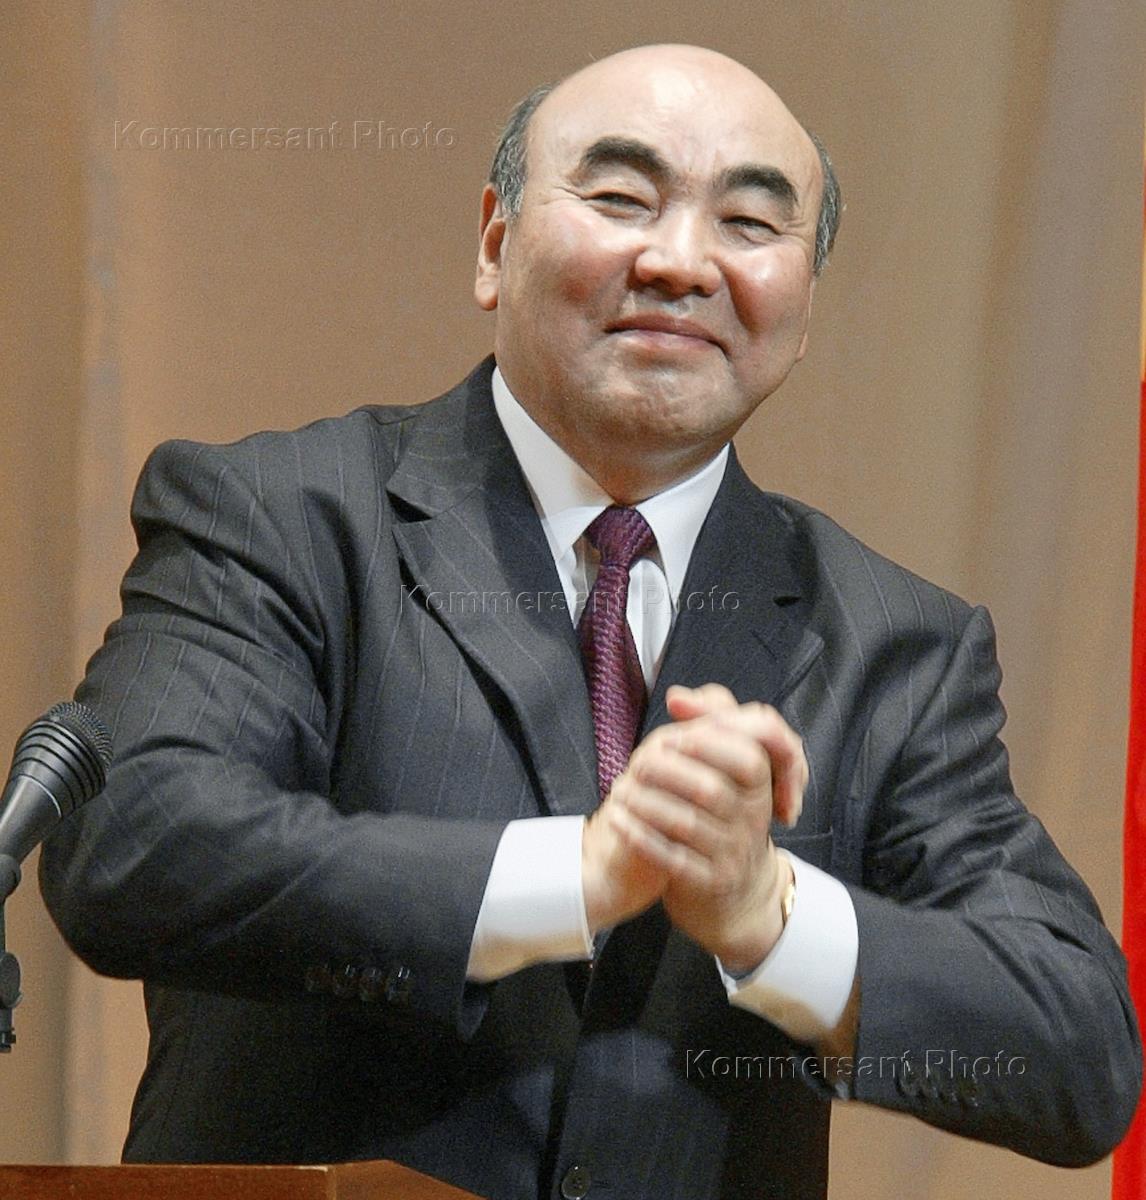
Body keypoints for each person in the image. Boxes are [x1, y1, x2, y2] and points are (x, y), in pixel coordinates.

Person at [40, 43, 1140, 1200]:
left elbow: (1078, 1052)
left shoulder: (893, 643)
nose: (680, 262)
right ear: (494, 244)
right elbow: (134, 845)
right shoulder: (285, 520)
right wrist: (577, 874)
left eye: (750, 224)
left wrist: (769, 920)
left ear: (804, 306)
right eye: (620, 199)